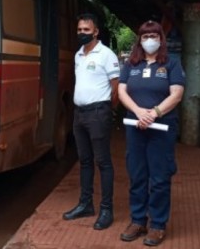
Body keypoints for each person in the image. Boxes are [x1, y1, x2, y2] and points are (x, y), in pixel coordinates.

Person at [117, 20, 185, 246]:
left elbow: (176, 94)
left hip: (161, 130)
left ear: (160, 39)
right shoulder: (131, 63)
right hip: (135, 128)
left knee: (159, 177)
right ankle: (138, 220)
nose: (149, 41)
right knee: (137, 175)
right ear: (139, 40)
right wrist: (137, 112)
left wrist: (154, 113)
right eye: (145, 37)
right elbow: (121, 90)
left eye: (154, 36)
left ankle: (157, 224)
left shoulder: (171, 63)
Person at [62, 13, 120, 230]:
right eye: (79, 30)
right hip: (79, 114)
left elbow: (116, 88)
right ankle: (85, 204)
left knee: (103, 162)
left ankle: (107, 209)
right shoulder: (78, 55)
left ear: (96, 32)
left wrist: (105, 111)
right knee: (84, 161)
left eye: (86, 30)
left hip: (98, 113)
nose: (82, 33)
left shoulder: (106, 55)